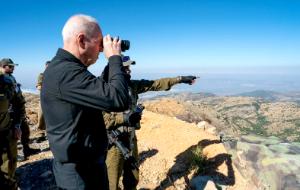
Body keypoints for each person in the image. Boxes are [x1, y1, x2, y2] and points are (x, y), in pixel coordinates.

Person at [41, 14, 130, 190]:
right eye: (99, 43)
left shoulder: (66, 69)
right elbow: (118, 99)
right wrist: (114, 58)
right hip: (79, 175)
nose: (101, 50)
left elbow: (97, 91)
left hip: (85, 167)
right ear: (81, 40)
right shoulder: (65, 73)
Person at [104, 56, 197, 190]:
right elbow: (101, 119)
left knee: (132, 178)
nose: (129, 70)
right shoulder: (104, 89)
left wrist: (180, 79)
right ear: (115, 70)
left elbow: (155, 84)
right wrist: (124, 118)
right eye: (125, 68)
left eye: (129, 67)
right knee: (111, 184)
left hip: (130, 139)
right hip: (114, 143)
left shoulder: (132, 86)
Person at [0, 58, 40, 161]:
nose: (13, 68)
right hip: (8, 113)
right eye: (11, 66)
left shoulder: (10, 77)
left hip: (16, 111)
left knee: (24, 130)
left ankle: (26, 149)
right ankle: (13, 156)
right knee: (11, 136)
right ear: (3, 66)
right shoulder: (2, 79)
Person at [0, 65, 21, 190]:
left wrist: (17, 125)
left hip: (4, 132)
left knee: (8, 168)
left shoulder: (6, 83)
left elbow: (18, 104)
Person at [35, 61, 49, 142]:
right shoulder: (42, 75)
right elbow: (39, 86)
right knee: (41, 117)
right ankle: (40, 134)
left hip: (54, 100)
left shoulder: (55, 75)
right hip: (44, 99)